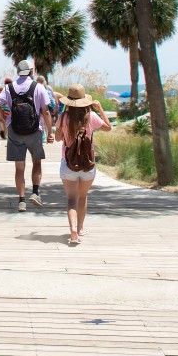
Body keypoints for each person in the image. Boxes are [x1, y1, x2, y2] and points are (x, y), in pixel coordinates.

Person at [0, 60, 56, 211]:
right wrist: (50, 132)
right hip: (35, 130)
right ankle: (35, 193)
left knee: (19, 167)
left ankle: (21, 201)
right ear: (31, 71)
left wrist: (4, 119)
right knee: (37, 162)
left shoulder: (9, 87)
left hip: (15, 130)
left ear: (17, 72)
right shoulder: (38, 87)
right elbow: (46, 111)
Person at [57, 84, 113, 245]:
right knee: (82, 197)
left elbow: (59, 138)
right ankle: (81, 228)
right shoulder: (91, 116)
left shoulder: (64, 117)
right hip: (88, 164)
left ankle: (73, 229)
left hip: (68, 164)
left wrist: (63, 121)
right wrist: (100, 109)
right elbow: (108, 128)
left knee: (71, 199)